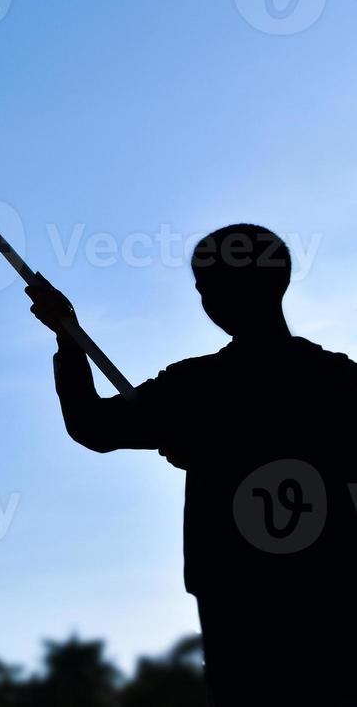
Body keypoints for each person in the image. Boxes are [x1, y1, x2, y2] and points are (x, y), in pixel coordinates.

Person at [28, 224, 357, 703]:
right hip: (333, 609)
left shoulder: (195, 387)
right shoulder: (339, 381)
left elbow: (92, 425)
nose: (208, 300)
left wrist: (68, 335)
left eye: (209, 287)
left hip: (240, 614)